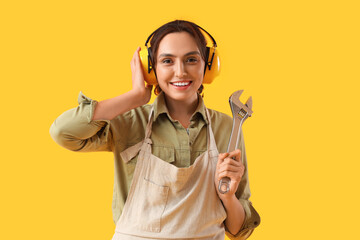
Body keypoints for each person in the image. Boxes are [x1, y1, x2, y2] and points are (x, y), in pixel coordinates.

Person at [50, 20, 260, 240]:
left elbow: (238, 231)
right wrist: (134, 97)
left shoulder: (228, 126)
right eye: (167, 61)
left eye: (191, 59)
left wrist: (227, 196)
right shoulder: (130, 121)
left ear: (207, 66)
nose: (180, 72)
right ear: (150, 68)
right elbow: (64, 132)